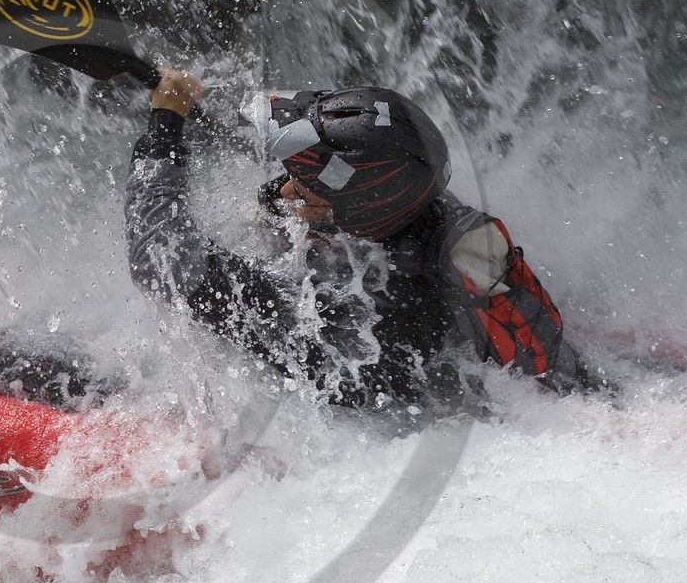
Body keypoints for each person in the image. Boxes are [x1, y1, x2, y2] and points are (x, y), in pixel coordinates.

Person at [125, 67, 601, 418]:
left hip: (360, 409)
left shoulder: (348, 321)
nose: (287, 191)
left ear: (358, 208)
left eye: (304, 187)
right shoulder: (415, 204)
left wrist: (166, 120)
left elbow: (158, 254)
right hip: (435, 390)